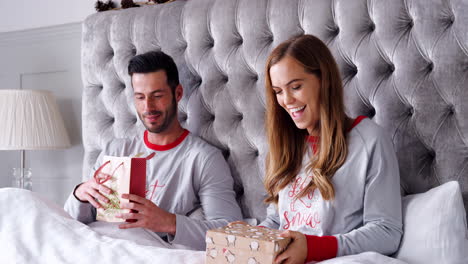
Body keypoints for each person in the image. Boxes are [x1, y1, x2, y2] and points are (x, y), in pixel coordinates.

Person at [64, 50, 242, 251]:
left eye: (157, 96)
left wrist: (169, 222)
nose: (148, 107)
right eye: (140, 97)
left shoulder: (203, 158)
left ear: (178, 94)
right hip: (94, 246)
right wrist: (79, 194)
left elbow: (230, 233)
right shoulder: (114, 150)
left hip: (141, 251)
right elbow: (68, 223)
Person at [258, 35, 403, 263]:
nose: (286, 100)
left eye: (295, 87)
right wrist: (250, 239)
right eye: (278, 91)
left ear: (324, 81)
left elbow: (387, 231)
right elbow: (277, 222)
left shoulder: (369, 140)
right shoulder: (284, 149)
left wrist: (313, 249)